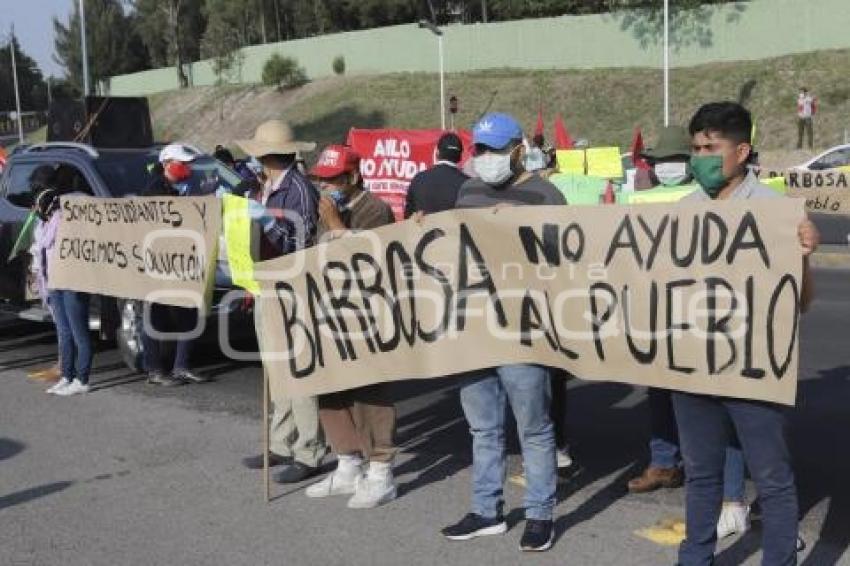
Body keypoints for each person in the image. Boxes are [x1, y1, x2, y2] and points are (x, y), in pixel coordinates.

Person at [673, 101, 818, 566]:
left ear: (741, 151)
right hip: (692, 367)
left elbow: (802, 300)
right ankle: (695, 558)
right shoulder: (680, 212)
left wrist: (805, 256)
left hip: (752, 366)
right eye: (696, 148)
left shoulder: (776, 213)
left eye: (711, 148)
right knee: (700, 474)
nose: (700, 158)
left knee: (771, 477)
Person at [441, 113, 564, 552]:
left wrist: (520, 227)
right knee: (482, 427)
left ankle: (539, 513)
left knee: (533, 426)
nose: (486, 158)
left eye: (495, 149)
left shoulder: (546, 193)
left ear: (517, 149)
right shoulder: (468, 190)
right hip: (475, 325)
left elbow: (564, 257)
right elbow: (452, 248)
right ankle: (486, 510)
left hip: (523, 328)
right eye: (479, 149)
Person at [301, 144, 399, 508]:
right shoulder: (326, 209)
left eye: (334, 180)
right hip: (331, 311)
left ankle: (380, 471)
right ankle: (347, 462)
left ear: (354, 177)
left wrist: (338, 226)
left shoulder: (375, 209)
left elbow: (371, 262)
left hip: (367, 315)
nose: (326, 188)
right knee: (329, 387)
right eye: (322, 181)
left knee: (369, 392)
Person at [236, 120, 328, 484]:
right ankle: (282, 442)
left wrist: (267, 221)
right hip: (266, 286)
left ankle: (309, 450)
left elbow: (299, 243)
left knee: (297, 372)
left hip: (293, 290)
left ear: (266, 156)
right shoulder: (266, 188)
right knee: (275, 371)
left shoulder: (300, 190)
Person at [140, 144, 209, 387]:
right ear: (167, 163)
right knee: (154, 317)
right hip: (158, 264)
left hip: (182, 263)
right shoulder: (154, 190)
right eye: (183, 163)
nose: (187, 167)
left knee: (189, 314)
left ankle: (181, 366)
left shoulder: (189, 187)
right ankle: (154, 370)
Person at [32, 177, 94, 397]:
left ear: (46, 206)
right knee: (64, 332)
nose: (34, 210)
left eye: (37, 206)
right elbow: (41, 248)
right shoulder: (44, 224)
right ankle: (67, 376)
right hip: (53, 283)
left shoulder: (67, 223)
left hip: (72, 283)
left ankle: (82, 379)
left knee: (79, 334)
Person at [404, 132, 468, 218]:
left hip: (424, 230)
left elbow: (408, 218)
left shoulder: (418, 179)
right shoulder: (468, 184)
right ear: (460, 157)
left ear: (437, 153)